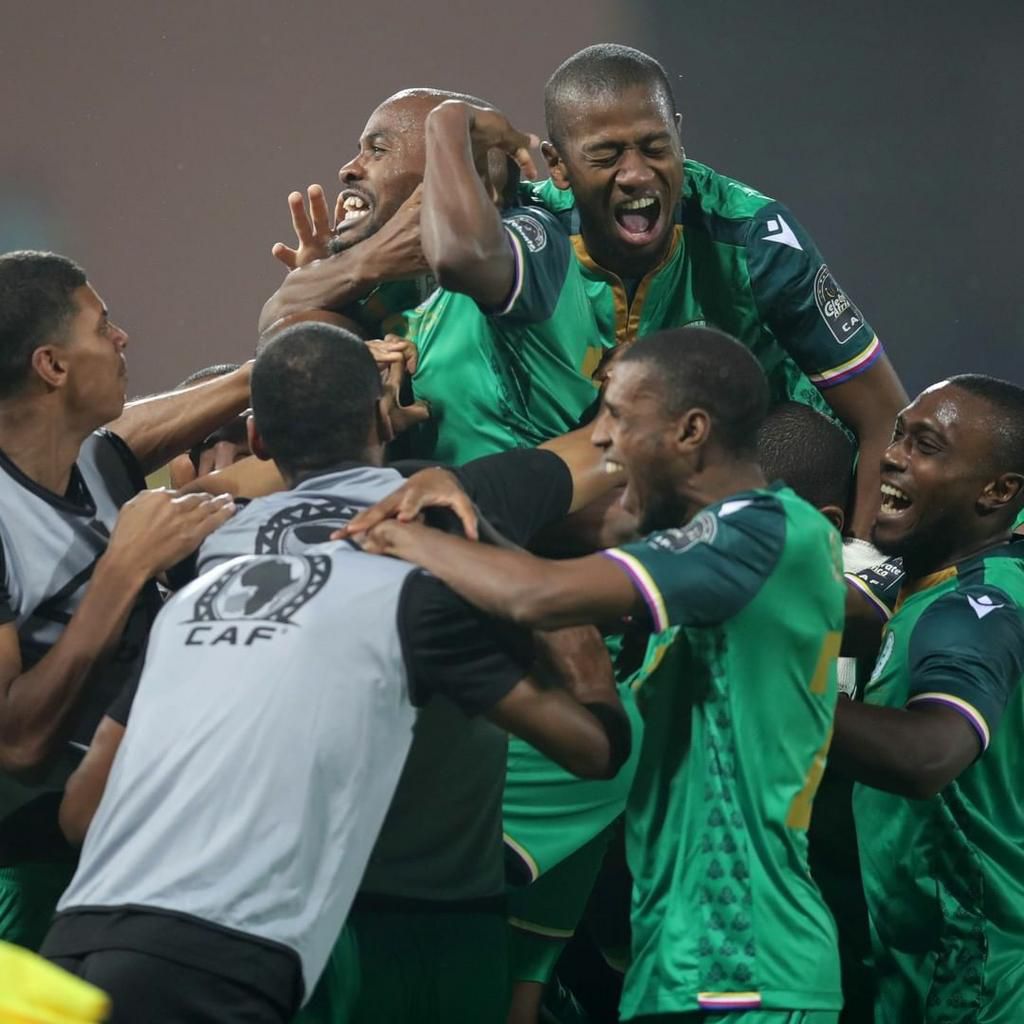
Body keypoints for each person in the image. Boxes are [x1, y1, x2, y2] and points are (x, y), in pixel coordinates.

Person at [46, 323, 631, 1024]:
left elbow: (83, 809)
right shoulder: (458, 516)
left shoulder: (200, 562)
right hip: (422, 920)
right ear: (384, 417)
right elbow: (610, 448)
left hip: (193, 921)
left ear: (260, 440)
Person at [348, 326, 847, 1023]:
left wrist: (394, 532)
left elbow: (535, 595)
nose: (603, 439)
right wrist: (462, 504)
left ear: (690, 431)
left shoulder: (758, 529)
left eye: (617, 415)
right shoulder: (723, 575)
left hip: (743, 963)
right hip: (685, 967)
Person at [530, 43, 908, 538]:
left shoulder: (757, 237)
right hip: (596, 491)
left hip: (767, 482)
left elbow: (884, 416)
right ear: (557, 164)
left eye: (655, 146)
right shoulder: (528, 243)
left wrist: (861, 573)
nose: (637, 174)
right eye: (606, 154)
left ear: (679, 136)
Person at [0, 251, 242, 950]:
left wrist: (277, 374)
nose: (122, 338)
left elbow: (163, 422)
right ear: (52, 366)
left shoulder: (92, 459)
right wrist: (122, 572)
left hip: (138, 852)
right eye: (102, 326)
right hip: (33, 880)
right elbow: (15, 744)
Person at [262, 89, 610, 465]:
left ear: (473, 184)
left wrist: (450, 121)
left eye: (378, 151)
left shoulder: (528, 232)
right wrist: (352, 269)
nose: (349, 170)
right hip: (426, 504)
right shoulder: (386, 272)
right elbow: (276, 323)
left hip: (545, 506)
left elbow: (459, 258)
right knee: (309, 331)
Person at [825, 375, 1024, 1023]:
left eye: (926, 446)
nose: (892, 454)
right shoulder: (928, 580)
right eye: (899, 434)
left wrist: (773, 692)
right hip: (924, 970)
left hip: (976, 979)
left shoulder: (975, 608)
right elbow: (844, 607)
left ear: (998, 491)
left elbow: (927, 755)